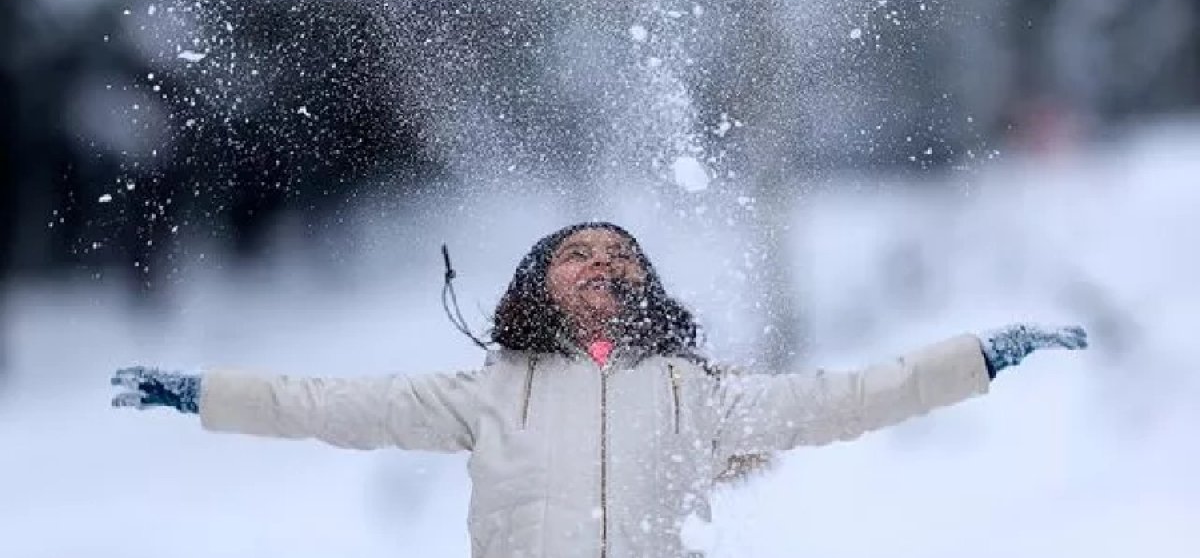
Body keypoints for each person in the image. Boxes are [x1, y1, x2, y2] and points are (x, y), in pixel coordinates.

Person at [111, 221, 1088, 558]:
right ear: (537, 283)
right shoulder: (490, 390)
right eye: (575, 253)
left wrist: (981, 357)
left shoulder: (694, 393)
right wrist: (203, 392)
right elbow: (326, 402)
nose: (599, 264)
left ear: (645, 285)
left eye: (619, 254)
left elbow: (847, 396)